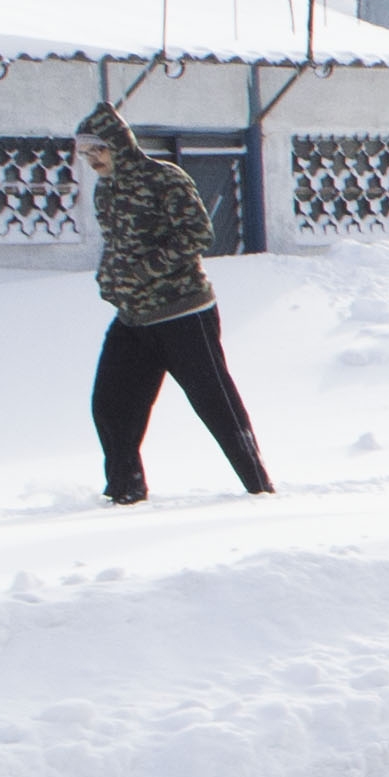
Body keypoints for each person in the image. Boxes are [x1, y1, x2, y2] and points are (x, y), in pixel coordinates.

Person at [78, 101, 272, 504]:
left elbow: (197, 235)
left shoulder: (163, 178)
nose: (91, 158)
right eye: (84, 151)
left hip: (184, 313)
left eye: (97, 149)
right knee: (110, 404)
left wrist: (144, 270)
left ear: (118, 144)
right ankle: (125, 491)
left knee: (215, 403)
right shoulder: (105, 191)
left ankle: (259, 489)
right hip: (134, 318)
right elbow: (116, 245)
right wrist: (109, 278)